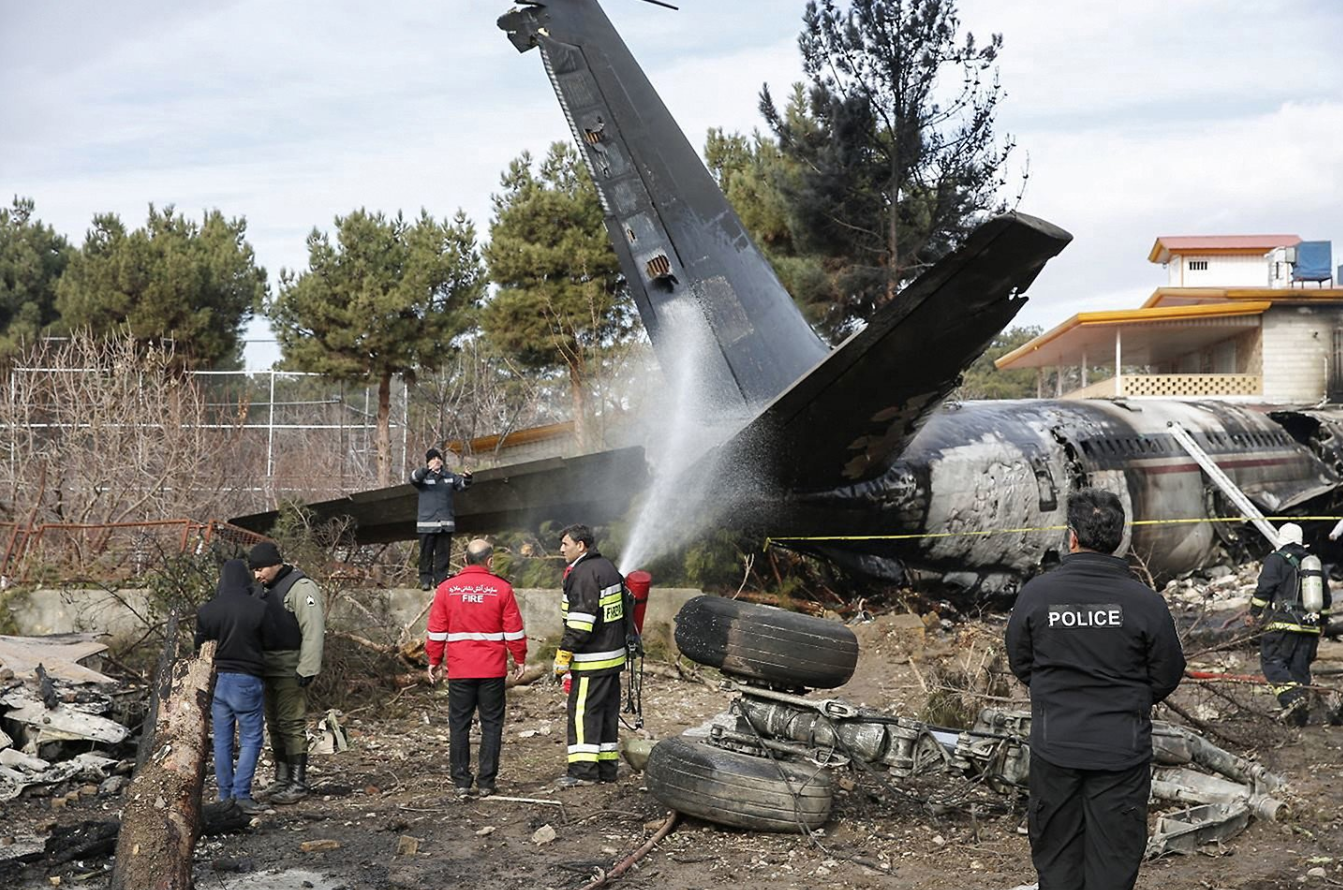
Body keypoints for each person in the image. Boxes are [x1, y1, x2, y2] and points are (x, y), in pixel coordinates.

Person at [1005, 488, 1186, 890]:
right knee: (1114, 860)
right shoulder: (1145, 602)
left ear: (1071, 536)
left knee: (1057, 857)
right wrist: (1130, 701)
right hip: (1121, 748)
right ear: (1120, 539)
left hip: (1057, 745)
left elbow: (1020, 660)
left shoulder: (1038, 594)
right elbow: (1168, 671)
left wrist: (1055, 696)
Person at [425, 538, 527, 798]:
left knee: (459, 724)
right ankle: (486, 783)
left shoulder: (447, 589)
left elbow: (436, 631)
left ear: (464, 560)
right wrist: (520, 658)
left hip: (460, 670)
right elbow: (514, 630)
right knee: (491, 724)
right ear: (489, 561)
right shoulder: (502, 589)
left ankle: (461, 782)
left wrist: (434, 661)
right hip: (492, 670)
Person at [248, 540, 325, 805]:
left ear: (276, 563)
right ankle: (282, 779)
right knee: (275, 724)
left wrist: (308, 667)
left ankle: (298, 782)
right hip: (266, 667)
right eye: (254, 570)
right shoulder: (262, 590)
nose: (258, 575)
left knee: (292, 724)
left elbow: (313, 630)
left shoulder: (301, 588)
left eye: (261, 569)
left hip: (291, 666)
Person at [195, 559, 273, 816]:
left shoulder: (207, 611)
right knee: (251, 738)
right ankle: (242, 795)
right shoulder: (260, 608)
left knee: (222, 741)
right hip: (247, 679)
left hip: (218, 682)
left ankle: (223, 795)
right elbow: (272, 643)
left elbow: (200, 648)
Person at [553, 524, 626, 788]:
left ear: (580, 545)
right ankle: (606, 769)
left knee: (583, 714)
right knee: (606, 713)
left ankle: (583, 772)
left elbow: (581, 624)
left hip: (592, 659)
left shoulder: (584, 574)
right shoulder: (608, 568)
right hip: (612, 658)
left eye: (565, 544)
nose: (562, 549)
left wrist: (564, 655)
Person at [1249, 522, 1332, 725]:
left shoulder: (1276, 560)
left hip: (1283, 625)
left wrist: (1254, 612)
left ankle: (1292, 699)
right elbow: (1326, 598)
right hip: (1310, 626)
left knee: (1272, 662)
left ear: (1281, 539)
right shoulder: (1313, 562)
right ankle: (1299, 718)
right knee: (1299, 669)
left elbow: (1264, 588)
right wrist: (1322, 623)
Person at [410, 447, 472, 591]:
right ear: (428, 462)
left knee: (443, 554)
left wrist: (468, 478)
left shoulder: (449, 477)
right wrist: (427, 470)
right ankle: (425, 580)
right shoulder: (423, 478)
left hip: (445, 523)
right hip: (427, 524)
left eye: (438, 458)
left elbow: (462, 486)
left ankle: (441, 581)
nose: (436, 461)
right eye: (433, 459)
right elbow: (413, 478)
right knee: (426, 554)